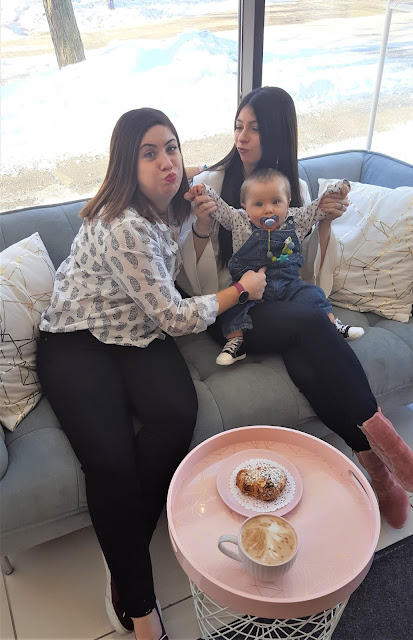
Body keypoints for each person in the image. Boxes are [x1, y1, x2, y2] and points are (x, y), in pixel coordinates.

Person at [36, 108, 266, 640]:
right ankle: (143, 612)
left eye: (172, 147)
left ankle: (123, 553)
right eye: (149, 153)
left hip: (136, 329)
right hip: (78, 338)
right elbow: (176, 317)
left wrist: (202, 203)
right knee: (110, 461)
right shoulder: (125, 226)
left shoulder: (171, 199)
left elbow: (198, 189)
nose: (167, 162)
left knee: (177, 414)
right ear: (126, 163)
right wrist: (240, 290)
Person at [179, 87, 413, 530]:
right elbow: (193, 284)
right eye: (238, 126)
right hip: (234, 310)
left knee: (308, 364)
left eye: (254, 128)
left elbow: (305, 273)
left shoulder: (295, 188)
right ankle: (394, 451)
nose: (241, 137)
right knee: (310, 322)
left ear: (278, 134)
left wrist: (325, 223)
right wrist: (203, 226)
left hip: (284, 303)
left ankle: (380, 472)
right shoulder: (212, 185)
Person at [187, 170, 364, 365]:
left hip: (289, 284)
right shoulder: (238, 220)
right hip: (252, 289)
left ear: (288, 203)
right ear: (244, 206)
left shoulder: (296, 219)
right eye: (258, 204)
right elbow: (220, 208)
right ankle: (235, 343)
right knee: (234, 308)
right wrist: (204, 190)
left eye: (276, 202)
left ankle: (332, 326)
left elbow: (318, 208)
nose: (268, 210)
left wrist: (338, 189)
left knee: (314, 294)